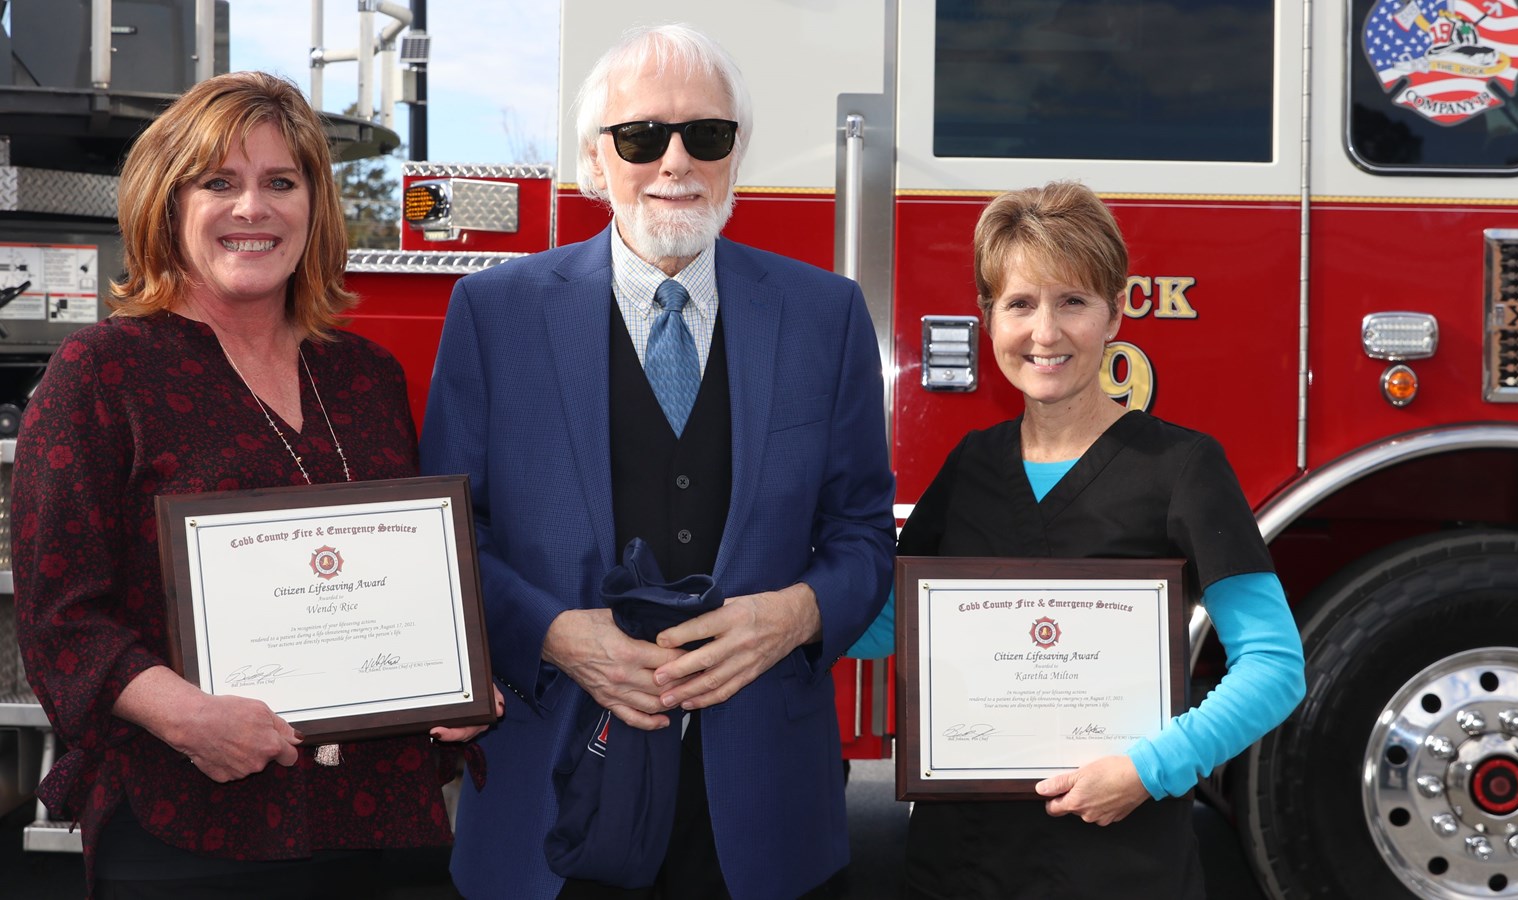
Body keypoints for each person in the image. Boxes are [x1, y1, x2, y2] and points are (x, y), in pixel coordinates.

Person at [419, 23, 896, 900]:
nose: (674, 161)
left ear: (736, 154)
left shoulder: (824, 316)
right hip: (552, 795)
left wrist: (793, 616)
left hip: (760, 812)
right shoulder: (495, 314)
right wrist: (555, 636)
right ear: (594, 163)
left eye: (705, 135)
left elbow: (863, 531)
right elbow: (451, 534)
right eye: (641, 136)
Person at [13, 71, 498, 898]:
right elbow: (61, 617)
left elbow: (411, 570)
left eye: (281, 182)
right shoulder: (101, 373)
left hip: (384, 817)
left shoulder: (364, 376)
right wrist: (187, 717)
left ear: (314, 207)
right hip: (195, 824)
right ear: (168, 203)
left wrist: (453, 673)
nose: (253, 209)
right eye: (219, 183)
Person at [847, 181, 1305, 899]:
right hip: (962, 865)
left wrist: (1148, 770)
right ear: (986, 317)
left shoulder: (1183, 466)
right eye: (1020, 303)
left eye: (1073, 302)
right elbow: (885, 627)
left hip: (1119, 863)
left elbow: (1274, 665)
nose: (1046, 333)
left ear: (1115, 312)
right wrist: (780, 611)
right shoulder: (971, 465)